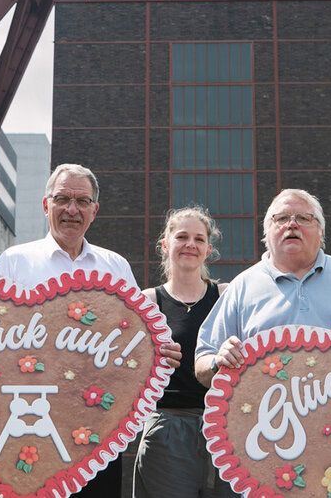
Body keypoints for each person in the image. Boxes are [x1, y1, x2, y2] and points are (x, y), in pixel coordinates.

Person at [0, 163, 181, 498]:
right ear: (46, 205)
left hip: (98, 425)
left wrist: (159, 350)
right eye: (62, 199)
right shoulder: (15, 262)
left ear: (95, 211)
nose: (72, 209)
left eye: (82, 201)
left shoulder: (115, 266)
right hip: (30, 421)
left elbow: (134, 338)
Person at [194, 189, 331, 387]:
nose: (292, 224)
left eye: (303, 218)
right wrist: (218, 362)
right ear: (267, 232)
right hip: (265, 405)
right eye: (281, 218)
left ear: (321, 231)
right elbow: (203, 362)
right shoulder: (242, 287)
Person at [133, 206, 238, 498]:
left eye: (199, 239)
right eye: (182, 237)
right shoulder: (147, 301)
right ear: (165, 245)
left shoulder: (226, 295)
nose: (190, 244)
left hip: (224, 427)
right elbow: (126, 372)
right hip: (168, 429)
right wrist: (149, 358)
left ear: (208, 249)